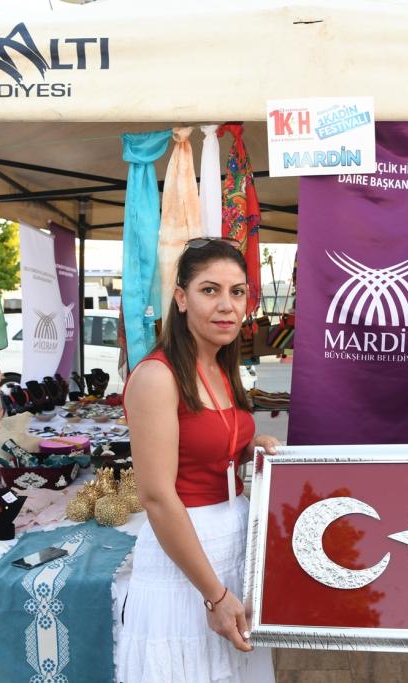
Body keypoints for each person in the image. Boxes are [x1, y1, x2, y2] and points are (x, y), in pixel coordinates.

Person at [119, 238, 278, 682]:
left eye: (237, 292)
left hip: (234, 539)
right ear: (181, 298)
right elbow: (156, 497)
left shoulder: (220, 365)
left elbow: (205, 443)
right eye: (210, 290)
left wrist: (249, 446)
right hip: (187, 554)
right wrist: (214, 596)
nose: (227, 305)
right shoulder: (157, 376)